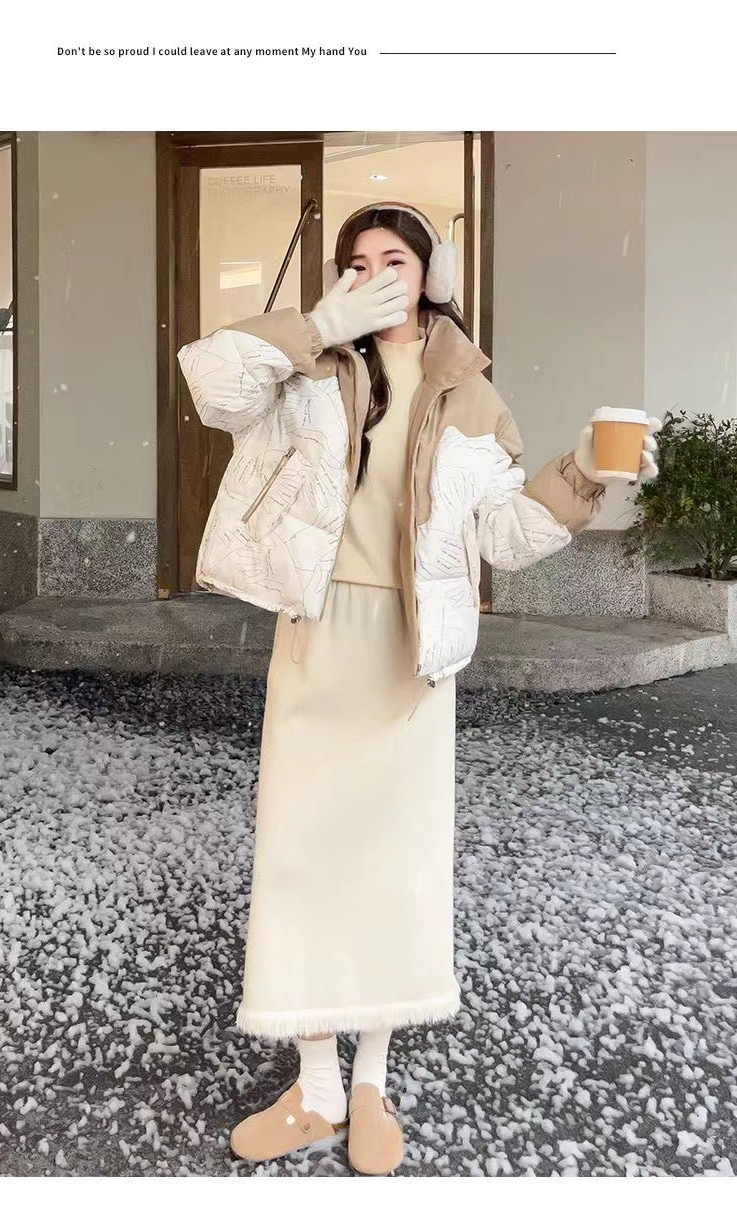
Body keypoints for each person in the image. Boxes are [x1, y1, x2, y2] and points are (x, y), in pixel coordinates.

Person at [177, 202, 660, 1175]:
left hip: (410, 651)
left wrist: (582, 473)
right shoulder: (311, 366)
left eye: (393, 260)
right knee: (304, 859)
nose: (374, 277)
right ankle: (315, 1086)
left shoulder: (472, 395)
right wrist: (320, 323)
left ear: (432, 275)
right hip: (318, 638)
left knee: (393, 864)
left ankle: (370, 1082)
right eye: (357, 263)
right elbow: (210, 382)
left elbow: (501, 538)